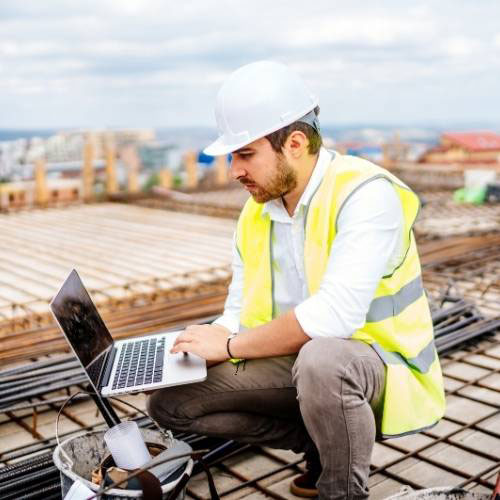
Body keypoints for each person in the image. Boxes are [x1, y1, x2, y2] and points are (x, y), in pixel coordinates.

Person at [147, 61, 446, 499]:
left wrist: (229, 348)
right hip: (301, 362)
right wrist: (207, 341)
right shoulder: (256, 212)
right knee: (170, 402)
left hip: (380, 366)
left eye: (245, 154)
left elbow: (334, 317)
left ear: (295, 143)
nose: (234, 170)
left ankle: (341, 489)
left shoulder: (365, 195)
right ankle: (321, 442)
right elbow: (239, 306)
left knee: (323, 362)